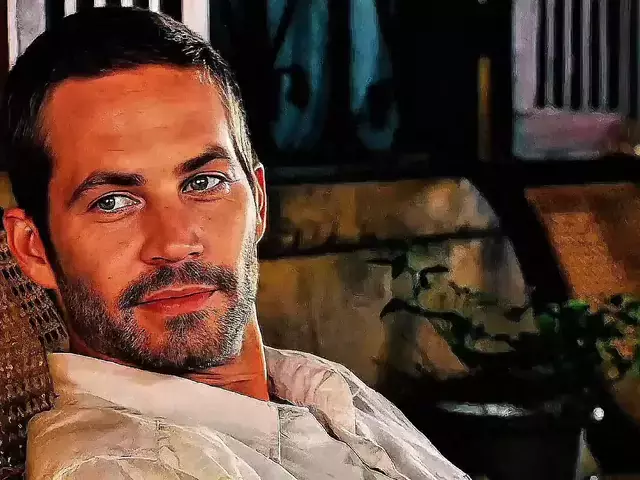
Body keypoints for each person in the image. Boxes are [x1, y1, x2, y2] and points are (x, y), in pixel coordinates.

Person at [1, 7, 469, 480]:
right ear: (33, 248)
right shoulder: (118, 467)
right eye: (113, 202)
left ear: (259, 202)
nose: (175, 242)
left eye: (204, 183)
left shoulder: (320, 389)